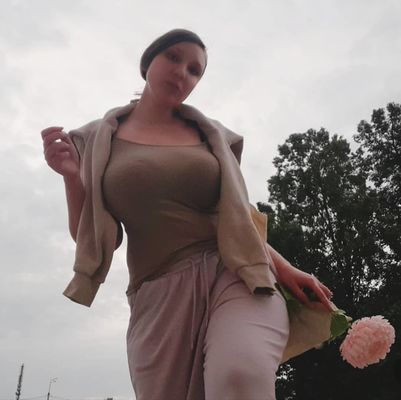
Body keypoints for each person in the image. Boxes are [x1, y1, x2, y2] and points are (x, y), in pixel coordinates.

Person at [41, 29, 335, 400]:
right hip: (157, 293)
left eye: (195, 70)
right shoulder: (97, 140)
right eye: (174, 57)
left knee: (240, 373)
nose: (182, 72)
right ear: (147, 62)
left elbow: (234, 219)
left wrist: (285, 268)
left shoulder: (213, 138)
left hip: (235, 274)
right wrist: (71, 177)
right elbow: (98, 238)